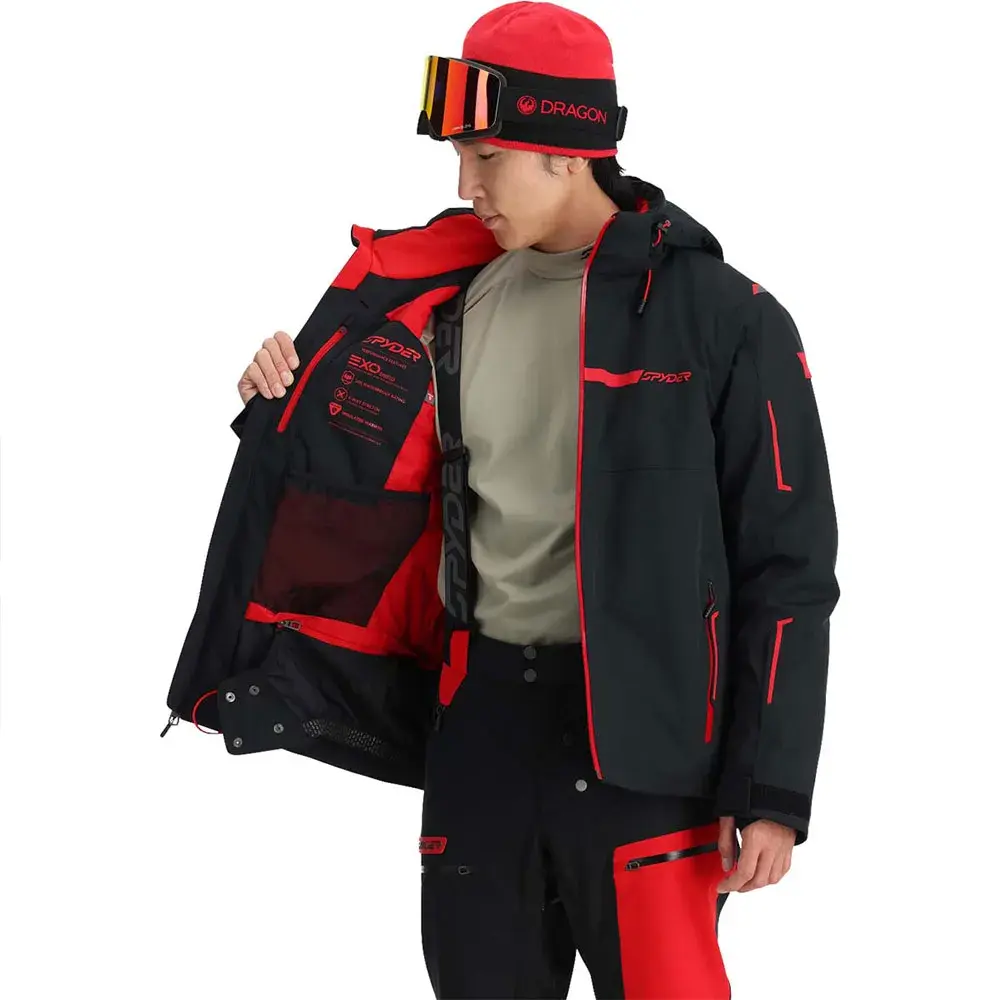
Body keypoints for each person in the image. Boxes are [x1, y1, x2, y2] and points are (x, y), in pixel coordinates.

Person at [230, 3, 839, 997]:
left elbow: (789, 568)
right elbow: (358, 482)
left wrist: (772, 789)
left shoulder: (725, 319)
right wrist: (283, 398)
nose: (464, 187)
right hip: (480, 731)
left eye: (486, 157)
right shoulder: (444, 302)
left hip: (649, 753)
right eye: (457, 160)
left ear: (566, 150)